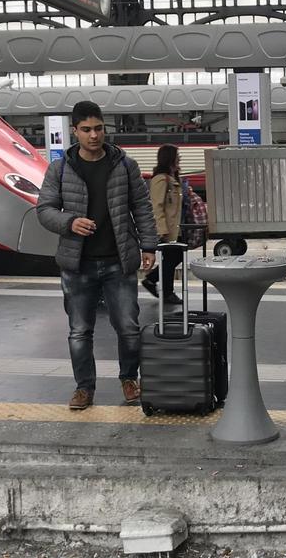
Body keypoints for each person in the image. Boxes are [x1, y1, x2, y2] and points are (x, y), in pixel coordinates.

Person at [36, 101, 158, 411]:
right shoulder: (60, 168)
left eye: (99, 128)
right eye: (87, 130)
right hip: (78, 265)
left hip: (119, 260)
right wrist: (69, 222)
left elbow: (141, 207)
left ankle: (130, 379)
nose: (94, 135)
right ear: (74, 131)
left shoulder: (124, 164)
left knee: (129, 327)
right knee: (79, 330)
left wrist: (148, 245)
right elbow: (44, 210)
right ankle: (84, 388)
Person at [141, 143, 183, 308]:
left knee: (173, 258)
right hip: (167, 230)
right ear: (169, 159)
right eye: (177, 156)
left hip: (174, 228)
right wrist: (162, 230)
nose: (179, 159)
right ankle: (164, 290)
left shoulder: (172, 178)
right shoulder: (161, 179)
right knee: (172, 258)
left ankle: (156, 284)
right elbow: (156, 205)